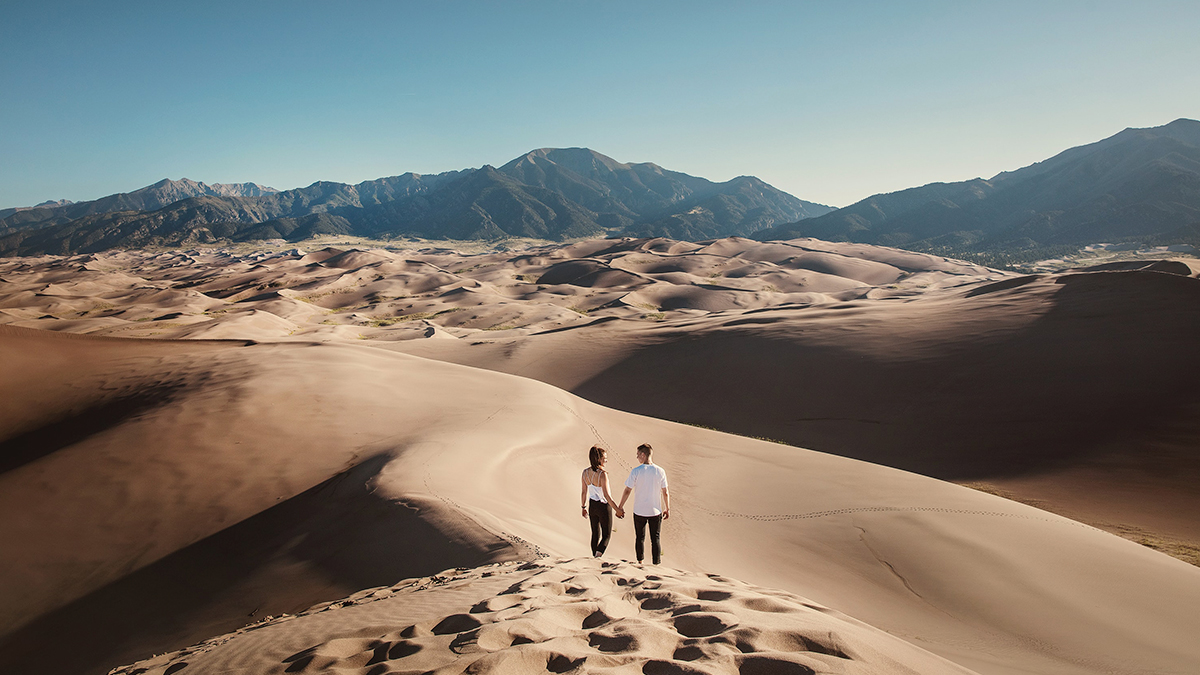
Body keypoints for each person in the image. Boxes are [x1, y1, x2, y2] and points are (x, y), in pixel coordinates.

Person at [616, 443, 670, 564]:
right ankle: (656, 564)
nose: (637, 457)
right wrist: (667, 508)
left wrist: (620, 506)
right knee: (655, 539)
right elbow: (665, 492)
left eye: (638, 455)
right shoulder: (660, 471)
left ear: (643, 454)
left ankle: (640, 562)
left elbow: (627, 490)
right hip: (655, 512)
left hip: (639, 511)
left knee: (640, 538)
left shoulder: (636, 471)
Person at [581, 445, 623, 557]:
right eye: (604, 457)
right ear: (598, 459)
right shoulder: (602, 474)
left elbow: (584, 492)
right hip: (603, 506)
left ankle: (594, 557)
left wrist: (583, 507)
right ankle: (597, 557)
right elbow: (607, 496)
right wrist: (617, 510)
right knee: (606, 535)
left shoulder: (585, 473)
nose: (606, 460)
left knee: (595, 534)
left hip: (592, 506)